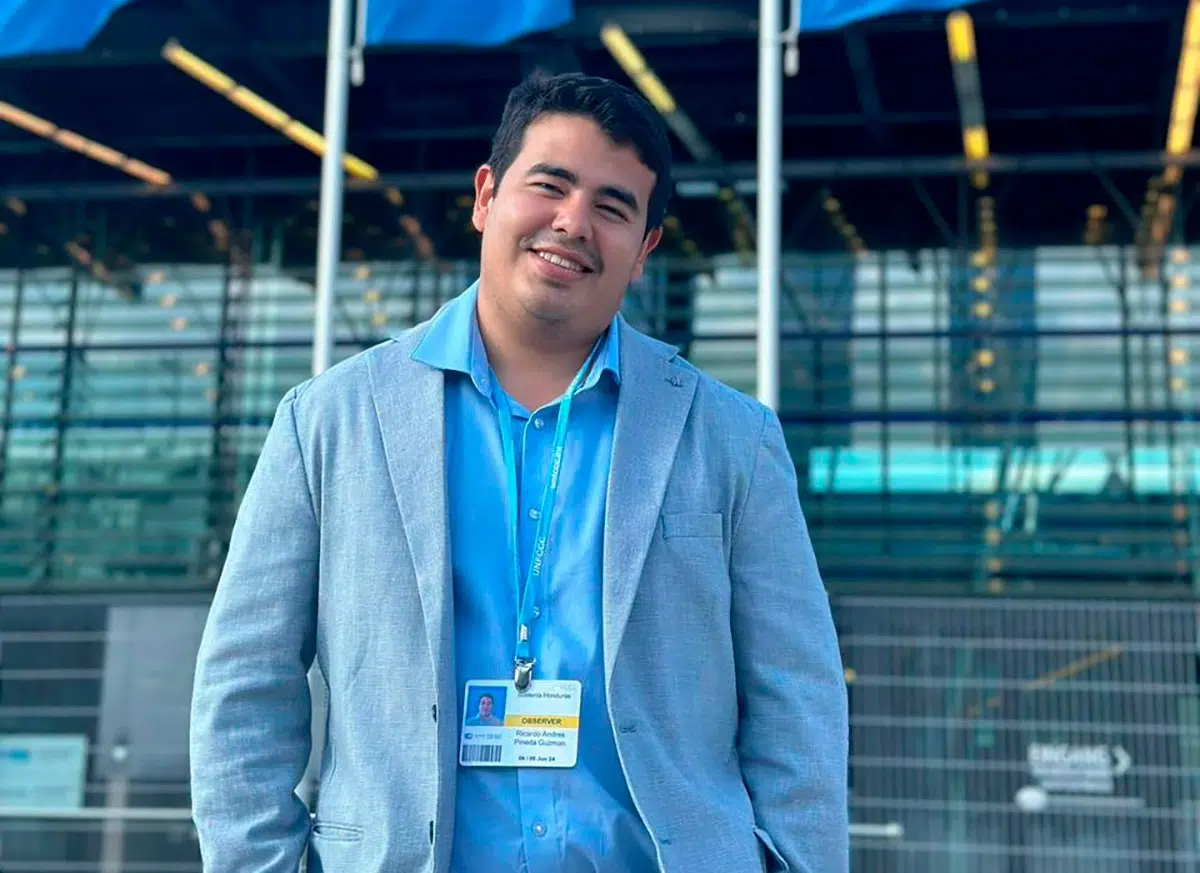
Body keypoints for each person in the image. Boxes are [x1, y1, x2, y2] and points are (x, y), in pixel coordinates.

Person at [189, 71, 848, 873]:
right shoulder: (328, 421)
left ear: (644, 251)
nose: (573, 222)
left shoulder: (732, 439)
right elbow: (246, 681)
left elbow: (797, 695)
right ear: (486, 196)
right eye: (550, 185)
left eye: (613, 207)